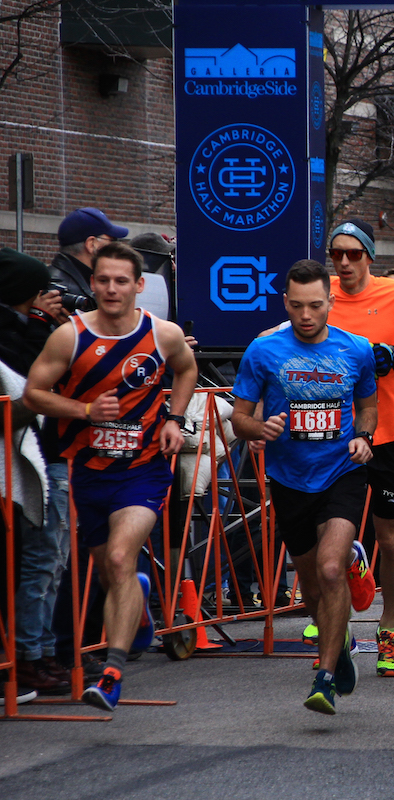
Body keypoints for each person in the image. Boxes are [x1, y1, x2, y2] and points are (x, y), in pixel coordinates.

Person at [24, 242, 198, 711]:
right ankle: (136, 604)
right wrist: (82, 409)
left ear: (139, 286)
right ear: (93, 282)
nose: (111, 289)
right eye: (103, 280)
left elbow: (186, 370)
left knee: (121, 557)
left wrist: (173, 419)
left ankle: (115, 674)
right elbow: (33, 394)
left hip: (143, 470)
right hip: (88, 472)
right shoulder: (70, 337)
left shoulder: (162, 334)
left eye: (122, 281)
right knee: (110, 568)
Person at [231, 259, 377, 713]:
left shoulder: (357, 349)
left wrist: (364, 437)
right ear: (285, 303)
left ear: (331, 302)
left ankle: (326, 675)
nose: (307, 315)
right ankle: (339, 637)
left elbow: (368, 404)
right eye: (297, 306)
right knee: (312, 584)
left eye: (316, 305)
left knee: (332, 569)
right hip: (290, 479)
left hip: (342, 472)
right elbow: (239, 419)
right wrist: (260, 428)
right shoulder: (263, 351)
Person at [324, 219, 394, 679]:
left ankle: (388, 629)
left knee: (390, 537)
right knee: (333, 538)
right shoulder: (321, 292)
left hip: (388, 434)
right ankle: (338, 627)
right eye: (337, 254)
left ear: (369, 256)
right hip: (332, 438)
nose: (345, 262)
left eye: (354, 253)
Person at [1, 249, 71, 697]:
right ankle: (29, 657)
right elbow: (26, 382)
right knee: (41, 561)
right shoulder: (12, 330)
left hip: (50, 455)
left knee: (53, 560)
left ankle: (41, 650)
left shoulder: (32, 326)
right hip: (28, 460)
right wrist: (37, 326)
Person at [46, 208, 129, 324]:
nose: (115, 247)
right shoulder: (63, 292)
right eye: (112, 240)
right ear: (91, 244)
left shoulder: (60, 279)